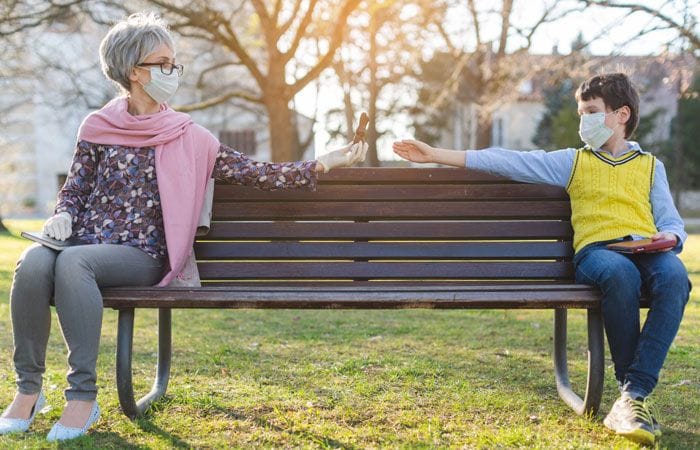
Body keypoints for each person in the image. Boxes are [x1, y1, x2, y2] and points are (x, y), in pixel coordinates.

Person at [0, 12, 367, 442]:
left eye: (173, 62)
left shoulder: (189, 135)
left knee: (73, 263)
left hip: (143, 255)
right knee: (32, 263)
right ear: (134, 72)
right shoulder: (97, 127)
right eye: (163, 62)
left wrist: (327, 161)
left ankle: (82, 396)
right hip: (84, 244)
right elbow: (76, 189)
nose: (171, 71)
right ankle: (28, 390)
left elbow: (256, 172)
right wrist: (63, 214)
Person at [393, 72, 690, 446]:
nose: (585, 122)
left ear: (622, 114)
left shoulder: (650, 166)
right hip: (598, 255)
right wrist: (436, 154)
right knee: (619, 275)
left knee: (676, 277)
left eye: (593, 112)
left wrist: (671, 236)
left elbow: (670, 221)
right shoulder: (572, 162)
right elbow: (507, 160)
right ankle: (633, 396)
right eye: (582, 113)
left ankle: (632, 395)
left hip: (645, 249)